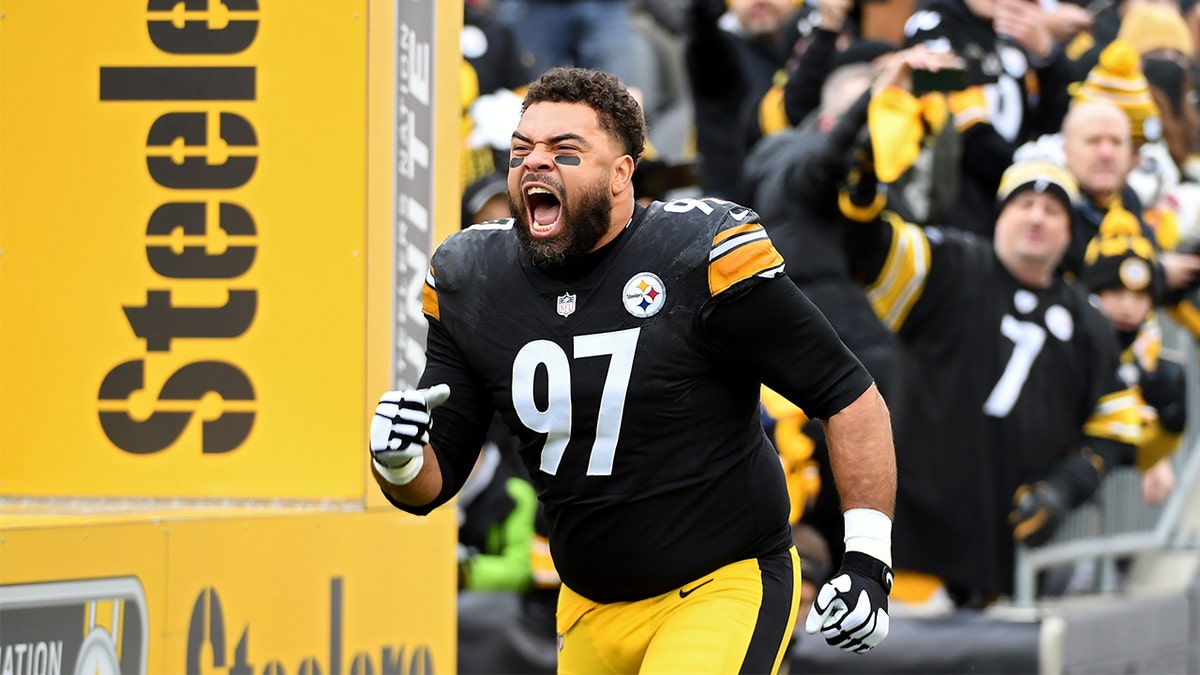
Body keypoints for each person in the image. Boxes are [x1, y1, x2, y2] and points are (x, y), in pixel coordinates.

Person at [369, 66, 898, 673]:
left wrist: (868, 560)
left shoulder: (696, 255)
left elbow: (847, 393)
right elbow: (434, 481)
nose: (535, 163)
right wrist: (400, 460)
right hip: (588, 604)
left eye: (565, 150)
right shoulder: (473, 277)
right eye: (522, 149)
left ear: (623, 173)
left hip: (719, 584)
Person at [822, 47, 1144, 610]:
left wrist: (1065, 488)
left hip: (1004, 561)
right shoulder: (952, 264)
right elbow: (870, 249)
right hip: (913, 544)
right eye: (1024, 204)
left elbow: (1118, 424)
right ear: (1000, 213)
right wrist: (867, 178)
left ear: (1071, 232)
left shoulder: (1087, 317)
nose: (1038, 218)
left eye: (1054, 210)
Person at [1078, 209, 1185, 506]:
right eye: (1114, 290)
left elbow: (1133, 448)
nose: (1127, 305)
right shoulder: (1070, 338)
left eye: (1140, 296)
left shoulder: (1145, 343)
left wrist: (1170, 426)